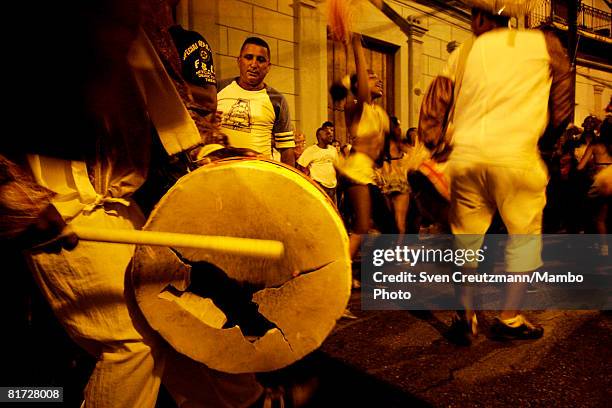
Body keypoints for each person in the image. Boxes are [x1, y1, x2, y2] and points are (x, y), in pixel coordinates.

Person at [1, 1, 263, 406]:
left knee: (178, 321)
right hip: (63, 206)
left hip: (119, 204)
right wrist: (15, 196)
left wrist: (208, 151)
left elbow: (171, 104)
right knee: (131, 343)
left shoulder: (146, 27)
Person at [419, 0, 572, 343]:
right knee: (524, 238)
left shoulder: (462, 53)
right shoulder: (544, 43)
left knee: (465, 241)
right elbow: (562, 105)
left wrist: (436, 144)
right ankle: (510, 317)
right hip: (517, 157)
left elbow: (433, 106)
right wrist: (544, 141)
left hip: (467, 157)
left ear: (479, 15)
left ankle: (467, 313)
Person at [330, 33, 389, 259]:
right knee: (362, 227)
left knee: (386, 225)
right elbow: (362, 89)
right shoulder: (354, 106)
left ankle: (370, 268)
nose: (379, 80)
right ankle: (339, 271)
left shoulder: (379, 113)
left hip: (369, 173)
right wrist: (356, 46)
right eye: (371, 77)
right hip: (354, 171)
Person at [217, 37, 296, 166]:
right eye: (248, 57)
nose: (254, 65)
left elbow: (286, 149)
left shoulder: (277, 100)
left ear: (268, 66)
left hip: (259, 176)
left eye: (261, 60)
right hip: (220, 173)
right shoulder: (218, 89)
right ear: (239, 61)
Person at [374, 116, 411, 234]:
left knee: (389, 222)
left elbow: (376, 163)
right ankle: (398, 250)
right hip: (400, 182)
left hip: (386, 183)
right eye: (398, 126)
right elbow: (415, 154)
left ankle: (388, 247)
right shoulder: (399, 144)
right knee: (400, 221)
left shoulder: (381, 144)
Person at [297, 128, 339, 204]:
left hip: (332, 186)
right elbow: (300, 166)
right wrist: (310, 181)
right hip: (318, 185)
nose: (331, 135)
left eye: (331, 133)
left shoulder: (333, 150)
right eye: (327, 134)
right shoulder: (311, 150)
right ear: (319, 136)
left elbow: (336, 166)